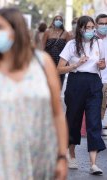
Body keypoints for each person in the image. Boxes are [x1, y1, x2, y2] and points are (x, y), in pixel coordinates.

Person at [0, 8, 68, 180]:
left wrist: (62, 156)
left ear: (17, 30)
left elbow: (57, 113)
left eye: (0, 28)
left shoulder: (42, 63)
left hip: (40, 155)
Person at [57, 15, 106, 174]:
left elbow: (102, 63)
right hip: (76, 82)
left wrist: (102, 65)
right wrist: (76, 64)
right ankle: (71, 153)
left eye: (93, 27)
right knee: (73, 119)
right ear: (81, 29)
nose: (91, 31)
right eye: (88, 28)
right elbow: (59, 68)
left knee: (94, 121)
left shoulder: (99, 43)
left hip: (94, 83)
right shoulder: (71, 44)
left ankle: (93, 163)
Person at [42, 15, 70, 85]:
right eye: (56, 19)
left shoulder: (66, 33)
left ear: (62, 22)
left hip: (61, 61)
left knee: (59, 82)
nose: (58, 21)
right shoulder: (47, 32)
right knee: (48, 81)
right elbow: (42, 46)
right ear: (53, 21)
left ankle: (57, 95)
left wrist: (69, 61)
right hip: (49, 60)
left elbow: (69, 48)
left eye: (60, 20)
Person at [95, 14, 107, 136]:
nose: (104, 26)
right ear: (96, 24)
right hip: (100, 79)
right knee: (100, 108)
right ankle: (97, 132)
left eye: (106, 24)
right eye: (101, 23)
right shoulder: (92, 39)